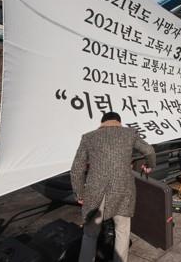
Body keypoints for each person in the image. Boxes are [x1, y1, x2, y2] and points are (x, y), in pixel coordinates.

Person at [71, 112, 156, 262]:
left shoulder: (88, 137)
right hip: (123, 189)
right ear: (119, 122)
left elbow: (77, 168)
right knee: (122, 231)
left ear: (102, 122)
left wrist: (79, 193)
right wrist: (149, 166)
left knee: (90, 234)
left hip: (94, 191)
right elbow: (149, 150)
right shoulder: (129, 133)